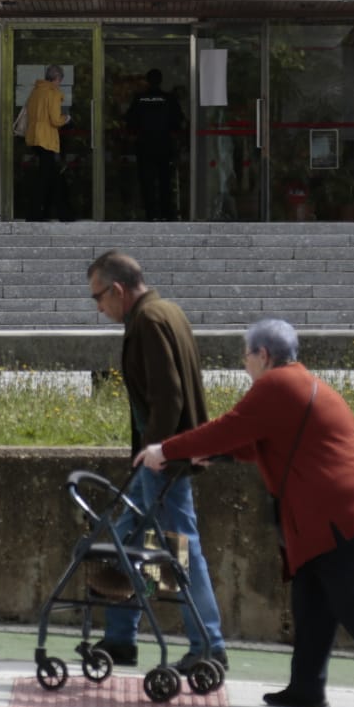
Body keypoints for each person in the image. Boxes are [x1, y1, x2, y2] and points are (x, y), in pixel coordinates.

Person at [134, 318, 354, 707]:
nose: (244, 362)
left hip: (343, 507)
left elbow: (229, 428)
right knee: (313, 598)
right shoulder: (296, 383)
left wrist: (165, 449)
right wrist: (217, 456)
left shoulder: (275, 385)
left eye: (246, 354)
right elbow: (261, 443)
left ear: (263, 355)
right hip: (343, 503)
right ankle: (306, 688)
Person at [84, 251, 227, 675]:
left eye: (98, 297)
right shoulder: (167, 312)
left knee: (180, 548)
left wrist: (157, 453)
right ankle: (122, 636)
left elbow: (170, 396)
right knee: (138, 541)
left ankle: (208, 643)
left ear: (118, 289)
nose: (98, 307)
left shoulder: (148, 321)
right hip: (165, 456)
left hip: (163, 460)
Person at [127, 68, 182, 221]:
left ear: (147, 80)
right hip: (164, 145)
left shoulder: (139, 99)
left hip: (144, 146)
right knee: (165, 180)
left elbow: (130, 121)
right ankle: (166, 213)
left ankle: (151, 214)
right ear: (160, 80)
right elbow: (178, 122)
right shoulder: (169, 99)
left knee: (147, 181)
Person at [23, 64, 69, 221]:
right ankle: (39, 213)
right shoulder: (53, 93)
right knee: (46, 177)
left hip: (34, 138)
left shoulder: (36, 91)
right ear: (57, 78)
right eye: (60, 80)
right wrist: (66, 118)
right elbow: (55, 120)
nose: (59, 83)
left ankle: (51, 212)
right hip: (47, 140)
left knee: (50, 175)